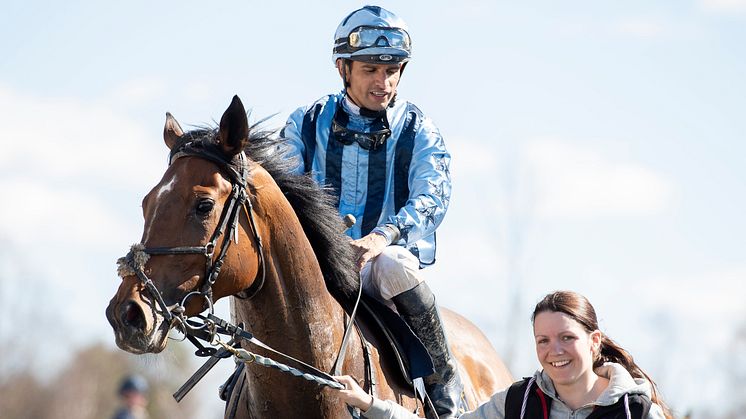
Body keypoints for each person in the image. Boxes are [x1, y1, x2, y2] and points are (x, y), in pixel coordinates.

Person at [280, 5, 461, 417]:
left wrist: (384, 236)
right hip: (318, 263)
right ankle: (245, 371)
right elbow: (279, 190)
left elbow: (433, 196)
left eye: (393, 70)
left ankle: (442, 387)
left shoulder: (419, 129)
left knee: (396, 264)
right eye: (370, 71)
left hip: (379, 265)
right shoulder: (306, 122)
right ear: (344, 68)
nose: (384, 82)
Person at [330, 290, 673, 419]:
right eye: (543, 340)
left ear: (594, 341)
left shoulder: (636, 412)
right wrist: (369, 404)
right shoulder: (517, 404)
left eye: (567, 338)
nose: (554, 351)